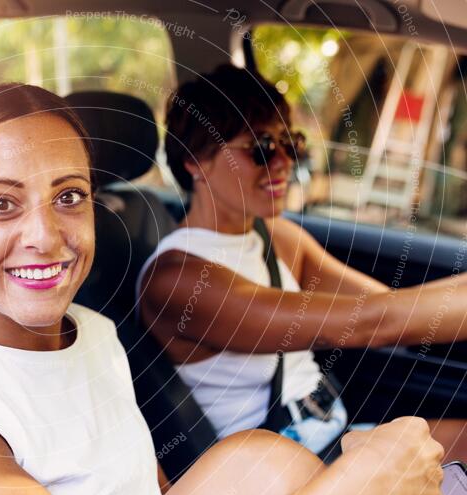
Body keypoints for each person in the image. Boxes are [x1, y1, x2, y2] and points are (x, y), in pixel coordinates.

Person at [0, 82, 447, 495]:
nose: (44, 236)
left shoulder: (93, 332)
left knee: (267, 464)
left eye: (69, 196)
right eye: (1, 205)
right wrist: (355, 493)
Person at [138, 64, 467, 465]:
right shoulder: (179, 280)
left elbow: (394, 307)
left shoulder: (277, 236)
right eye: (261, 148)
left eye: (289, 143)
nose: (283, 162)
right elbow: (376, 323)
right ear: (195, 162)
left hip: (335, 436)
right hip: (275, 476)